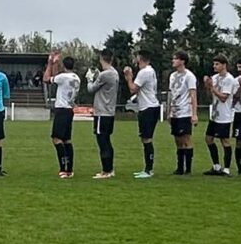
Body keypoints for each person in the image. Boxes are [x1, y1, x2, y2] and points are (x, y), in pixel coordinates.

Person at [123, 50, 160, 179]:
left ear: (140, 58)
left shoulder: (144, 72)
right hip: (150, 106)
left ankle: (149, 170)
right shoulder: (151, 71)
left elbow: (133, 88)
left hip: (148, 108)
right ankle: (147, 168)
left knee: (147, 139)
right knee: (145, 138)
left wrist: (128, 77)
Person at [43, 51, 80, 178]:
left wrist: (49, 63)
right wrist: (56, 63)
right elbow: (56, 78)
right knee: (67, 140)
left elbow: (46, 79)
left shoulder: (63, 77)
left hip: (62, 110)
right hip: (69, 110)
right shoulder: (76, 78)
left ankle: (63, 168)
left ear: (64, 66)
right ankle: (69, 169)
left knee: (56, 138)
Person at [85, 50, 120, 179]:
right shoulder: (114, 73)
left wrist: (89, 78)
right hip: (109, 111)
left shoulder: (105, 75)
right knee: (107, 140)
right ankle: (110, 169)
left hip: (101, 112)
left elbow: (91, 89)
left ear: (101, 59)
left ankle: (106, 171)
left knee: (102, 141)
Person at [203, 56, 236, 176]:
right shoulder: (215, 78)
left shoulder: (229, 79)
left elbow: (223, 97)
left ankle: (226, 168)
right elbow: (210, 96)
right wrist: (207, 85)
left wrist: (212, 87)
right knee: (208, 138)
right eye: (214, 64)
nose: (214, 66)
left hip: (224, 115)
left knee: (225, 141)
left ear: (224, 65)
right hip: (214, 115)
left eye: (217, 64)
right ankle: (216, 166)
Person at [167, 51, 198, 175]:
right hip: (175, 111)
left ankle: (188, 168)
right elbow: (171, 93)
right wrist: (169, 111)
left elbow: (193, 95)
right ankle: (179, 167)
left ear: (182, 61)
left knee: (186, 139)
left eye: (175, 59)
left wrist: (194, 113)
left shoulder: (189, 76)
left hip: (185, 111)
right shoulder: (172, 76)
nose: (173, 61)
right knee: (177, 140)